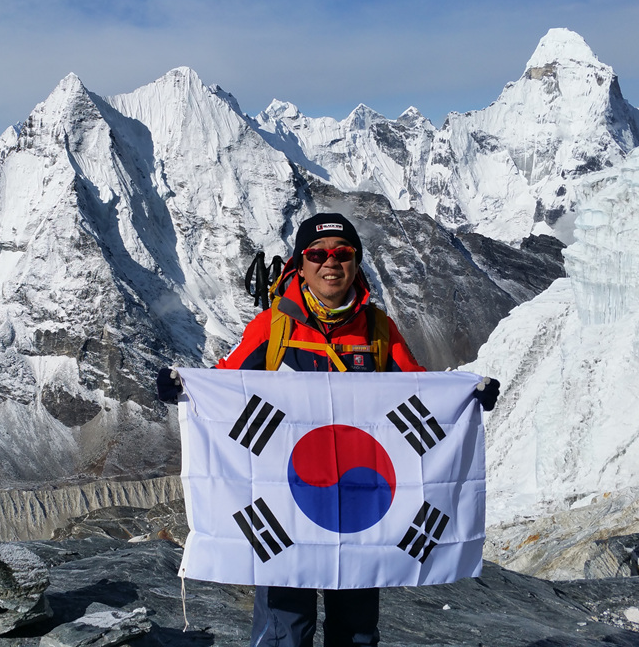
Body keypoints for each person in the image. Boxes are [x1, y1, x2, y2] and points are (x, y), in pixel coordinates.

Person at [158, 212, 500, 647]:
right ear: (300, 264)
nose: (330, 262)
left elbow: (420, 393)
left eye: (343, 253)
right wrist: (184, 388)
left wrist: (469, 396)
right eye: (317, 254)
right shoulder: (274, 328)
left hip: (358, 505)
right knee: (285, 630)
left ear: (356, 263)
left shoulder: (378, 330)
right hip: (286, 508)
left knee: (355, 632)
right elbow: (227, 385)